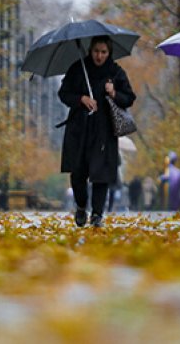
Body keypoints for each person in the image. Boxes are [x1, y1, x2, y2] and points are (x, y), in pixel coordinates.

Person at [59, 35, 136, 227]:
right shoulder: (78, 69)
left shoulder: (116, 72)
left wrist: (114, 93)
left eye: (103, 52)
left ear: (109, 53)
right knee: (78, 172)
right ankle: (81, 205)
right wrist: (81, 99)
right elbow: (64, 93)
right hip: (79, 129)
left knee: (101, 174)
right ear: (90, 50)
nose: (99, 56)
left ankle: (97, 214)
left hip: (103, 130)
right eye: (96, 51)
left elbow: (129, 98)